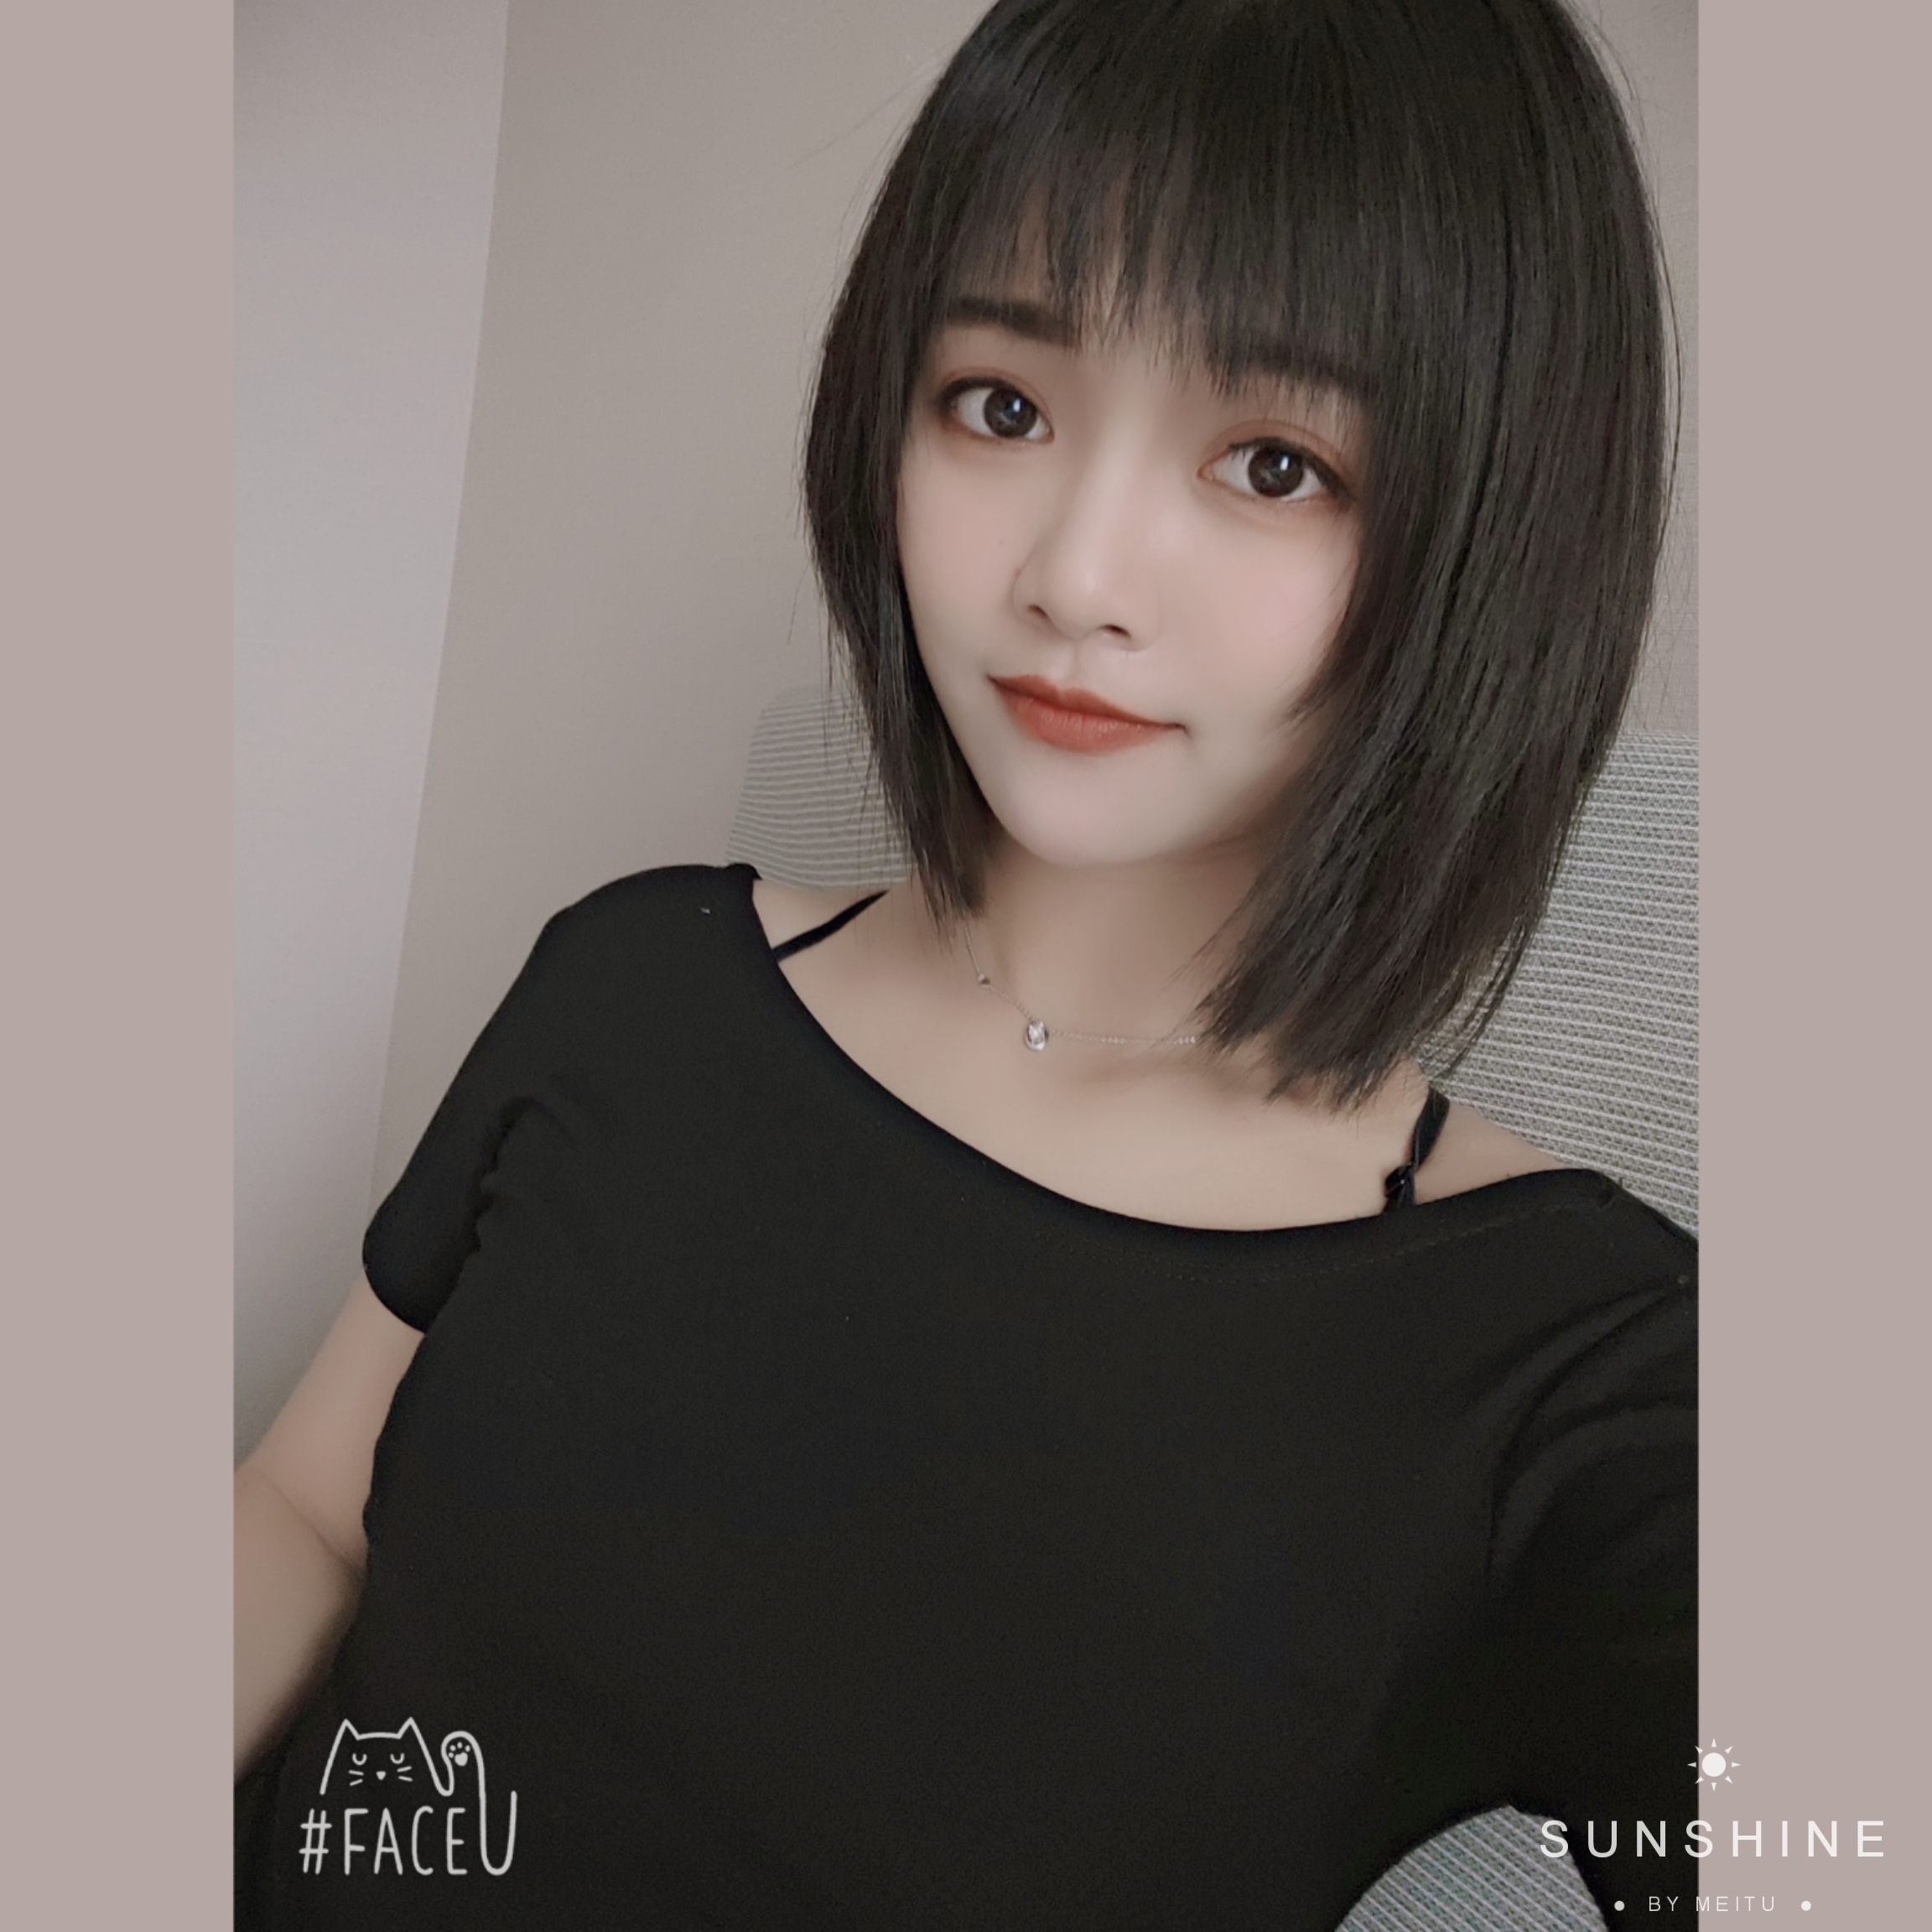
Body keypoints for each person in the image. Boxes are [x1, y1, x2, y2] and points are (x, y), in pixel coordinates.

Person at [235, 0, 1696, 1924]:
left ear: (1498, 536)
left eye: (1274, 463)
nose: (1072, 577)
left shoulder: (1581, 1372)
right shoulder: (634, 979)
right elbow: (306, 1507)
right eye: (1002, 406)